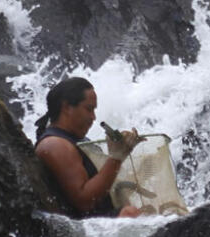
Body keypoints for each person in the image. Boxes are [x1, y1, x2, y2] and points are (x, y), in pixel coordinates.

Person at [34, 77, 143, 218]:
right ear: (67, 107)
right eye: (89, 109)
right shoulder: (55, 145)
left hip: (103, 221)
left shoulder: (79, 140)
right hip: (85, 229)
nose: (93, 117)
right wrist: (116, 157)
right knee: (131, 213)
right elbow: (84, 201)